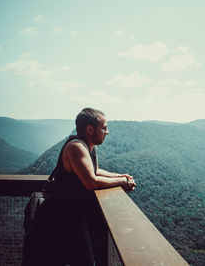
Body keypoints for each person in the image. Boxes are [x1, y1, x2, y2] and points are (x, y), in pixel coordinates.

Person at [22, 108, 136, 266]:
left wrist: (120, 176)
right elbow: (91, 181)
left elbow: (94, 171)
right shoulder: (76, 147)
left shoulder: (90, 147)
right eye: (104, 127)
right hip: (59, 219)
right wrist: (122, 183)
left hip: (72, 217)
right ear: (90, 129)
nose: (107, 132)